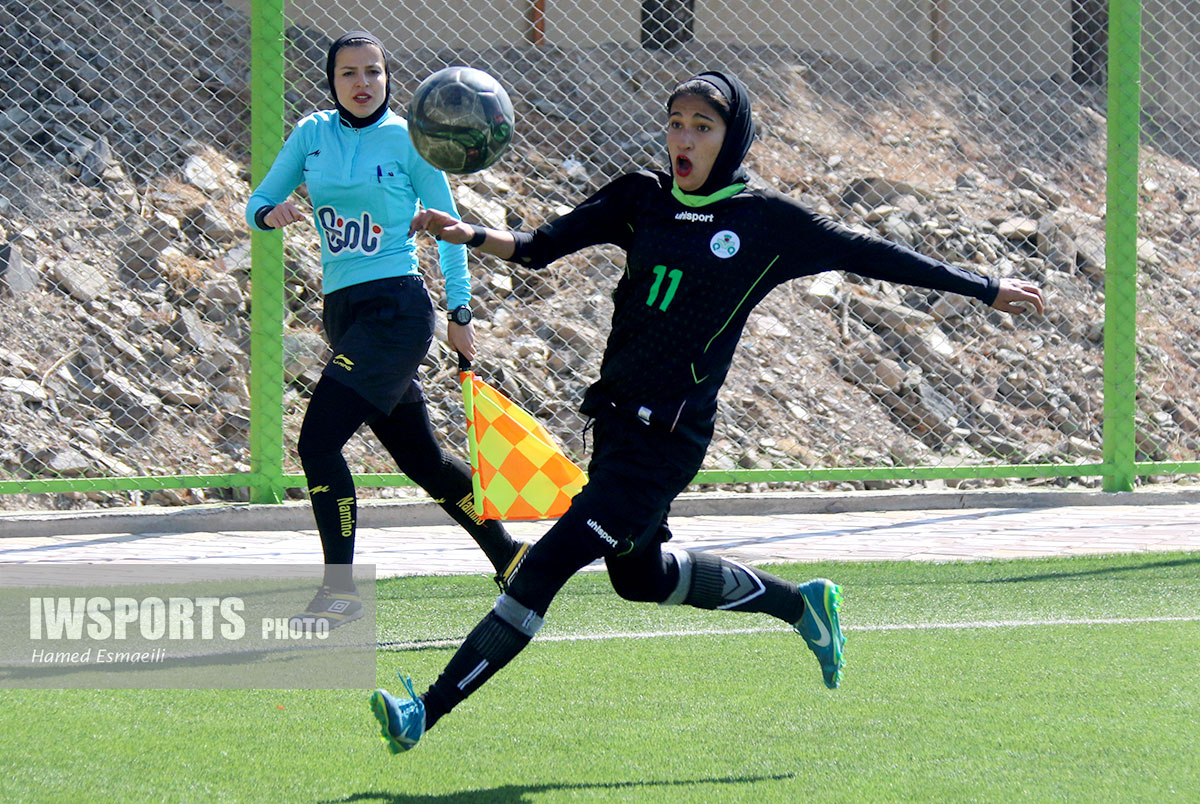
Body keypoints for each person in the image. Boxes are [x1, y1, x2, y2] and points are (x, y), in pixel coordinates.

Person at [370, 69, 1045, 751]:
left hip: (665, 442)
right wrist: (471, 234)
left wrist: (983, 286)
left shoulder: (767, 224)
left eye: (702, 125)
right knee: (643, 579)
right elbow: (540, 248)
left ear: (733, 136)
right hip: (614, 424)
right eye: (675, 122)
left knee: (545, 565)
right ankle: (798, 603)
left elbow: (873, 254)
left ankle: (423, 711)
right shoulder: (640, 199)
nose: (683, 138)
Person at [244, 31, 527, 628]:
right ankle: (509, 555)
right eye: (350, 72)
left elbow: (452, 231)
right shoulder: (311, 135)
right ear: (332, 80)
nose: (363, 82)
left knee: (317, 443)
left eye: (373, 71)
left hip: (396, 310)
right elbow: (258, 203)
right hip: (343, 314)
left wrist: (460, 313)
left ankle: (340, 591)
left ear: (388, 78)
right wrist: (272, 213)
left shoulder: (409, 138)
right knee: (423, 461)